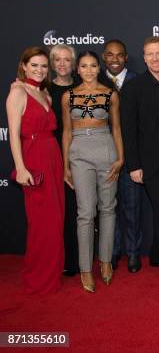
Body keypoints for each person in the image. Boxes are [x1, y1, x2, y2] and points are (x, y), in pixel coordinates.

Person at [121, 37, 159, 290]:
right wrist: (133, 165)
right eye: (150, 54)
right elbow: (128, 129)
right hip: (150, 162)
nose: (155, 58)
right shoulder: (133, 87)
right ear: (144, 58)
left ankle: (157, 253)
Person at [62, 51, 123, 293]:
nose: (88, 70)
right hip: (79, 151)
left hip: (106, 148)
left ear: (99, 68)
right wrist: (65, 164)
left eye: (93, 66)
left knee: (107, 208)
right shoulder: (68, 96)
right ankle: (86, 268)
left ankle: (106, 261)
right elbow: (66, 131)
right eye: (84, 66)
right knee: (85, 212)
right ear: (77, 69)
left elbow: (116, 128)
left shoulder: (110, 95)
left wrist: (121, 158)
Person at [6, 47, 64, 294]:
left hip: (52, 155)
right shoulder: (18, 93)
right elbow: (13, 134)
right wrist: (20, 167)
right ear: (24, 66)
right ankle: (37, 277)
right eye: (35, 65)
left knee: (56, 218)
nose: (40, 70)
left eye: (43, 66)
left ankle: (51, 272)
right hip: (34, 158)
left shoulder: (46, 93)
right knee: (42, 221)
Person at [102, 39, 143, 273]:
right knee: (109, 208)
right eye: (110, 55)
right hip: (104, 156)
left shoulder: (138, 81)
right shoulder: (95, 82)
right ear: (104, 57)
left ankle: (133, 253)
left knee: (132, 208)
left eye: (119, 55)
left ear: (126, 57)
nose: (115, 59)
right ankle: (113, 251)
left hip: (131, 156)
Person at [48, 43, 79, 277]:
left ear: (74, 63)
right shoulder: (44, 89)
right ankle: (61, 259)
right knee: (57, 210)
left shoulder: (83, 87)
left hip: (80, 154)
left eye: (66, 59)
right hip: (52, 154)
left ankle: (78, 259)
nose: (61, 63)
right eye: (57, 59)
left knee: (79, 209)